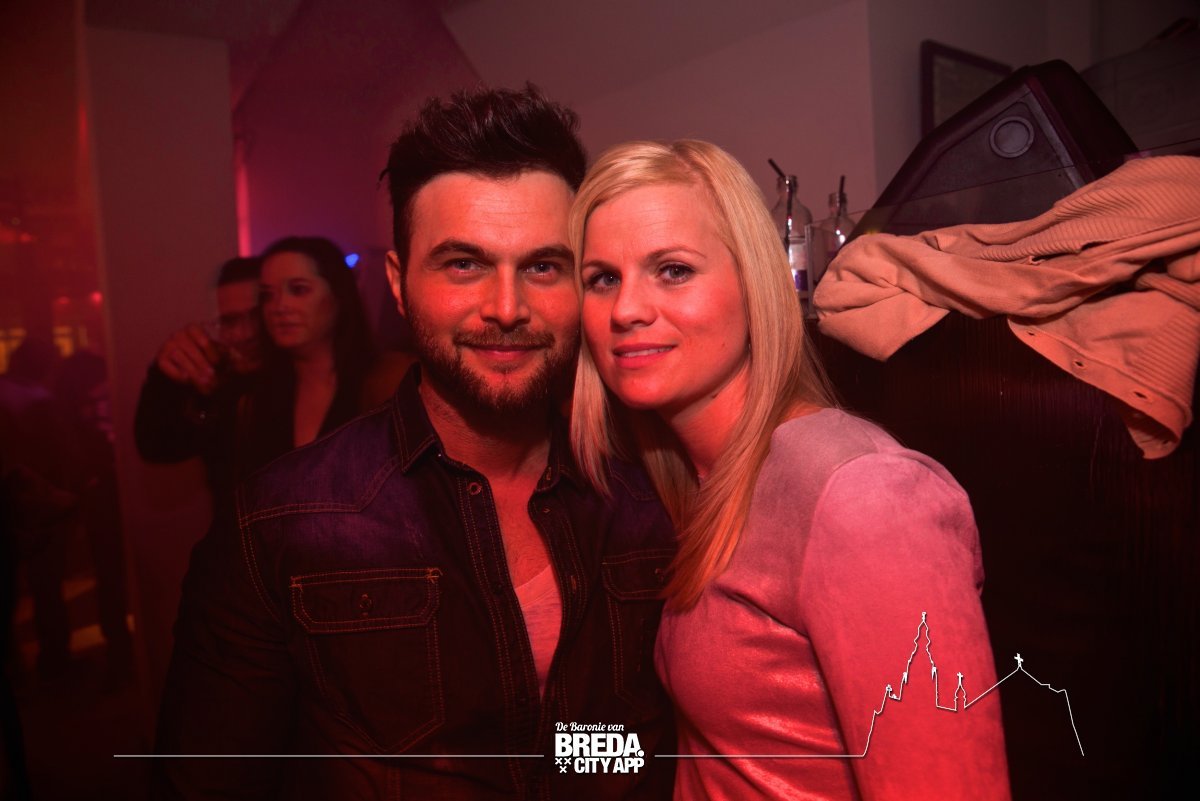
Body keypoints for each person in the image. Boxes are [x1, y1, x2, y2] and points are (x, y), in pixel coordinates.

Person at [154, 86, 676, 800]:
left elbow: (631, 750)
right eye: (463, 264)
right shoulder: (277, 525)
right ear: (399, 284)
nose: (506, 308)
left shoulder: (648, 499)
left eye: (542, 267)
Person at [569, 140, 1010, 800]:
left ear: (756, 283)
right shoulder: (689, 478)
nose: (626, 309)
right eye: (603, 278)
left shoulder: (866, 497)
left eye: (673, 270)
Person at [235, 235, 377, 475]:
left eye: (298, 290)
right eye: (267, 295)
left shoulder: (381, 384)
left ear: (338, 295)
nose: (279, 307)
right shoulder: (255, 395)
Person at [134, 256, 264, 513]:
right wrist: (165, 377)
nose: (246, 333)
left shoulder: (307, 379)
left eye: (256, 316)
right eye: (230, 321)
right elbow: (157, 446)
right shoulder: (218, 381)